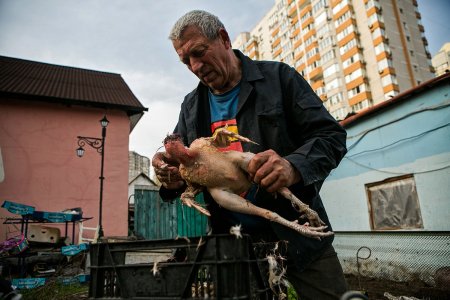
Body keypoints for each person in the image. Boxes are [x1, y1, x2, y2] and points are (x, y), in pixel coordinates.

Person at [152, 10, 348, 299]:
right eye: (186, 61)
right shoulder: (191, 106)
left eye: (199, 52)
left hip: (299, 230)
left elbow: (330, 137)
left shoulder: (279, 79)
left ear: (223, 38)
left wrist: (292, 166)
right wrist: (168, 176)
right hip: (232, 243)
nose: (194, 66)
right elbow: (186, 169)